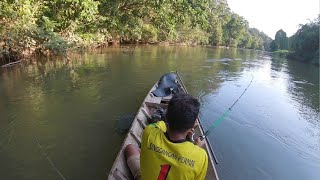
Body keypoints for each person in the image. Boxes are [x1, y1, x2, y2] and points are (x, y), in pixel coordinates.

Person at [124, 93, 208, 180]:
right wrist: (197, 147)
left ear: (167, 116)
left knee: (130, 148)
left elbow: (162, 124)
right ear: (193, 124)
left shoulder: (150, 131)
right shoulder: (201, 156)